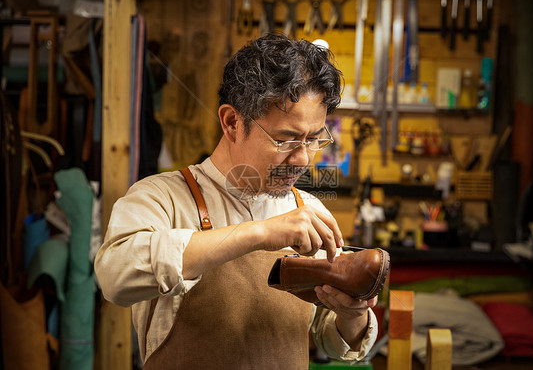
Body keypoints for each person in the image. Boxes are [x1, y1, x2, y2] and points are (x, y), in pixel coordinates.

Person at [95, 33, 378, 369]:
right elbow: (114, 276)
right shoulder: (162, 198)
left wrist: (353, 314)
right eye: (286, 139)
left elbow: (330, 338)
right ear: (232, 122)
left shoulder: (308, 212)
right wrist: (258, 233)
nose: (303, 159)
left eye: (314, 139)